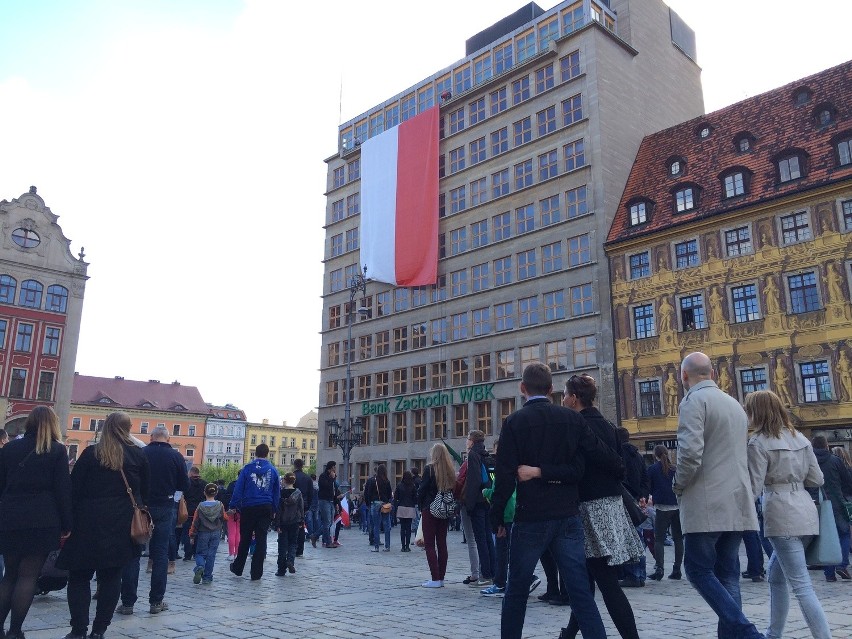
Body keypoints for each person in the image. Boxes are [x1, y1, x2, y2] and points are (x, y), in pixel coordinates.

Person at [490, 363, 625, 639]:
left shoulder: (514, 422)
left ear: (522, 388)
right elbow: (606, 460)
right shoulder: (572, 420)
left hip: (531, 517)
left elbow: (504, 476)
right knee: (580, 594)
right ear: (551, 390)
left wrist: (497, 517)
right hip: (567, 516)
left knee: (516, 590)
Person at [673, 352, 763, 639]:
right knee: (728, 575)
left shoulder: (692, 401)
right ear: (711, 373)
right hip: (736, 502)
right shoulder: (734, 404)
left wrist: (678, 484)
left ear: (684, 376)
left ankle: (747, 632)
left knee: (698, 571)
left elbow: (689, 455)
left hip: (706, 503)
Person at [558, 374, 642, 639]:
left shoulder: (576, 425)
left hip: (589, 510)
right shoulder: (607, 424)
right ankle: (569, 633)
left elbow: (576, 469)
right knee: (588, 579)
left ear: (573, 398)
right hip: (611, 507)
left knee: (604, 582)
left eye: (564, 394)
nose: (562, 399)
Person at [746, 390, 831, 639]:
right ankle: (773, 633)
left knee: (802, 586)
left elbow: (753, 487)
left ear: (757, 413)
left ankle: (822, 636)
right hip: (806, 511)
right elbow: (817, 479)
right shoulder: (801, 439)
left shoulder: (758, 442)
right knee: (776, 577)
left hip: (780, 513)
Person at [58, 412, 149, 639]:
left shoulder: (91, 453)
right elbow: (143, 492)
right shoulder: (137, 456)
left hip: (87, 523)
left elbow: (74, 489)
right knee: (111, 578)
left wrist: (67, 522)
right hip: (122, 524)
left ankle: (78, 630)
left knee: (79, 577)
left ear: (106, 427)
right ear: (128, 428)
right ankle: (99, 630)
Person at [0, 406, 72, 639]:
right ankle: (15, 631)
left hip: (10, 517)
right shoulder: (57, 451)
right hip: (42, 518)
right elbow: (63, 490)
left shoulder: (9, 448)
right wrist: (67, 524)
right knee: (28, 576)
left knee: (9, 575)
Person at [118, 424, 188, 616]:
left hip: (140, 508)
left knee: (133, 553)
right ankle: (156, 602)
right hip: (165, 507)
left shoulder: (141, 453)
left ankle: (128, 603)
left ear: (151, 437)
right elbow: (184, 484)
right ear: (168, 439)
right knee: (160, 555)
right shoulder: (176, 456)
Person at [228, 444, 281, 581]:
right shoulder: (273, 470)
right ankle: (256, 573)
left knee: (245, 538)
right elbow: (277, 492)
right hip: (266, 506)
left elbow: (239, 488)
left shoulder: (247, 468)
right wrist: (274, 509)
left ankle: (238, 567)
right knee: (261, 539)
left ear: (255, 453)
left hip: (249, 506)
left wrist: (233, 505)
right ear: (267, 454)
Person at [812, 435, 852, 581]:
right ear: (826, 445)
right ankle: (842, 565)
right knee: (844, 533)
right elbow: (847, 481)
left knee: (824, 537)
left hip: (816, 504)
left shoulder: (810, 461)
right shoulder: (836, 460)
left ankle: (829, 573)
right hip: (836, 502)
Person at [416, 443, 457, 587]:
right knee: (442, 544)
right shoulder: (450, 470)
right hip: (444, 511)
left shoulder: (430, 469)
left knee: (429, 545)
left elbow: (422, 490)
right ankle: (441, 578)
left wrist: (421, 506)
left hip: (430, 509)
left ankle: (435, 578)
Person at [617, 427, 649, 588]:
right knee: (639, 536)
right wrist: (642, 495)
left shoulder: (618, 454)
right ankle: (640, 573)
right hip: (637, 499)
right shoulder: (638, 455)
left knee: (629, 539)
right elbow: (645, 478)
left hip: (625, 499)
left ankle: (633, 574)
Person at [463, 430, 496, 586]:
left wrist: (469, 505)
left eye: (468, 439)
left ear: (473, 441)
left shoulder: (473, 455)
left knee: (480, 539)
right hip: (487, 500)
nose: (467, 441)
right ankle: (493, 571)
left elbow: (473, 481)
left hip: (477, 502)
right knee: (489, 538)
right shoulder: (486, 454)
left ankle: (486, 574)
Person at [647, 444, 683, 580]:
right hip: (677, 505)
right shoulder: (675, 468)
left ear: (655, 455)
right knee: (678, 538)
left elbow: (649, 487)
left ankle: (659, 568)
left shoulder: (652, 469)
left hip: (662, 507)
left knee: (659, 539)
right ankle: (677, 569)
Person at [189, 483, 225, 585]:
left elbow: (195, 521)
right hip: (216, 532)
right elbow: (224, 517)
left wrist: (192, 535)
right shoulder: (220, 505)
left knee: (200, 553)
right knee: (211, 555)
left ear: (204, 492)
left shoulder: (200, 506)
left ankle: (200, 566)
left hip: (203, 532)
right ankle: (207, 577)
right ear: (216, 493)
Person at [275, 473, 304, 576]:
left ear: (285, 481)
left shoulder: (280, 493)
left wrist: (277, 524)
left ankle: (281, 569)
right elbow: (301, 508)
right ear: (293, 481)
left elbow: (278, 510)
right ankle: (290, 561)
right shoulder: (298, 493)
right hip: (295, 521)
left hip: (283, 523)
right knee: (293, 543)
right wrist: (302, 521)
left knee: (282, 546)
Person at [364, 464, 393, 552]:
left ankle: (376, 546)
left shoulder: (371, 481)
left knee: (376, 526)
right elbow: (389, 494)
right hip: (384, 504)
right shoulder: (386, 481)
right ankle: (387, 546)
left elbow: (367, 493)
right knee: (386, 525)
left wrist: (369, 504)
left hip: (374, 504)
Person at [180, 467, 206, 561]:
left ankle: (187, 554)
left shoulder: (187, 483)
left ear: (191, 473)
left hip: (188, 511)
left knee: (187, 533)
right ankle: (196, 553)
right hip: (199, 511)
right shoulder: (204, 483)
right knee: (198, 532)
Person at [292, 458, 314, 557]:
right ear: (302, 466)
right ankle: (300, 550)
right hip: (304, 505)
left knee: (292, 526)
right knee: (301, 526)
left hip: (292, 504)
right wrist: (307, 505)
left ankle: (292, 547)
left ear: (294, 465)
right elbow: (311, 493)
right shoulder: (308, 478)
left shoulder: (293, 476)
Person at [394, 470, 417, 551]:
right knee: (408, 528)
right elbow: (415, 497)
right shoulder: (413, 486)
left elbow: (396, 497)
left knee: (402, 528)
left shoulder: (399, 485)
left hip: (401, 507)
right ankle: (407, 546)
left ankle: (403, 546)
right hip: (410, 507)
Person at [316, 461, 337, 548]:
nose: (335, 469)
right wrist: (332, 478)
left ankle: (315, 535)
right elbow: (326, 486)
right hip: (324, 500)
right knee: (327, 522)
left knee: (329, 522)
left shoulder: (333, 477)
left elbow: (334, 489)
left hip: (331, 500)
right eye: (334, 467)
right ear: (330, 468)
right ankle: (328, 542)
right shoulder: (323, 476)